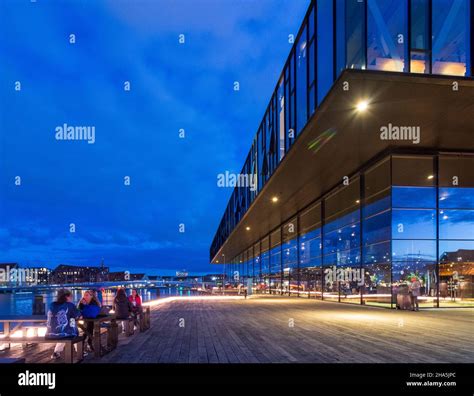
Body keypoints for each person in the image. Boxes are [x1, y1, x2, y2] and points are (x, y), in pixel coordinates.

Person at [45, 289, 81, 360]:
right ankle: (79, 351)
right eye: (71, 296)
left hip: (49, 334)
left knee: (65, 327)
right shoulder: (69, 305)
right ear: (67, 297)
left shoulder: (52, 304)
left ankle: (56, 352)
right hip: (64, 334)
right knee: (73, 329)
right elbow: (77, 315)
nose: (72, 298)